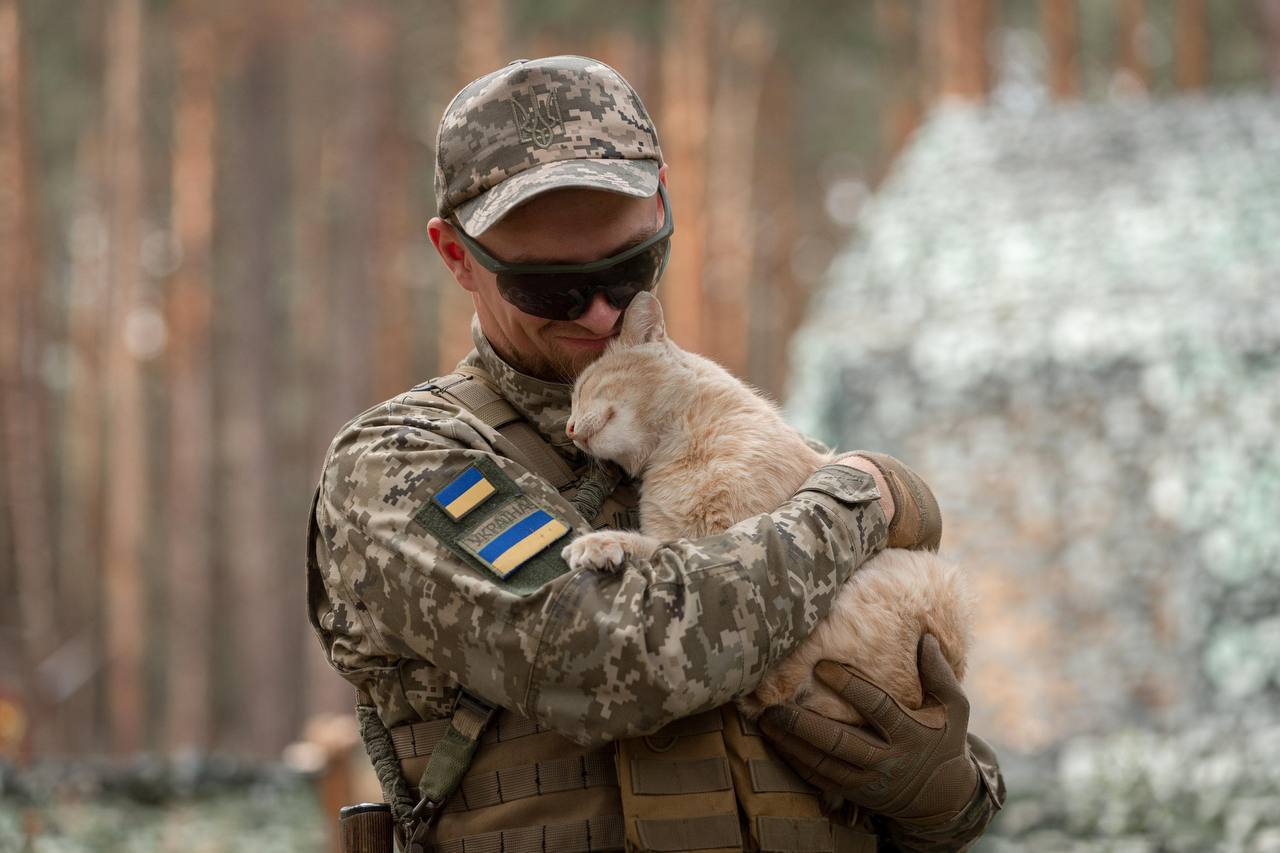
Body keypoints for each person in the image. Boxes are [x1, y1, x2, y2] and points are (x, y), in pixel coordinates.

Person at [307, 55, 1003, 853]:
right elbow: (610, 657)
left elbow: (949, 774)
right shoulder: (399, 461)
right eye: (550, 287)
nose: (603, 313)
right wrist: (861, 500)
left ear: (665, 205)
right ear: (456, 256)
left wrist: (944, 791)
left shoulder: (724, 428)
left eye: (630, 267)